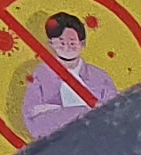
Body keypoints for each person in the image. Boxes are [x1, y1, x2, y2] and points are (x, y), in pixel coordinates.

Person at [19, 10, 117, 141]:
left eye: (72, 42)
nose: (67, 47)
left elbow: (115, 114)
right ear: (51, 43)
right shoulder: (41, 75)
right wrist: (80, 112)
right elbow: (32, 118)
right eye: (61, 42)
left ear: (82, 43)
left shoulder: (99, 77)